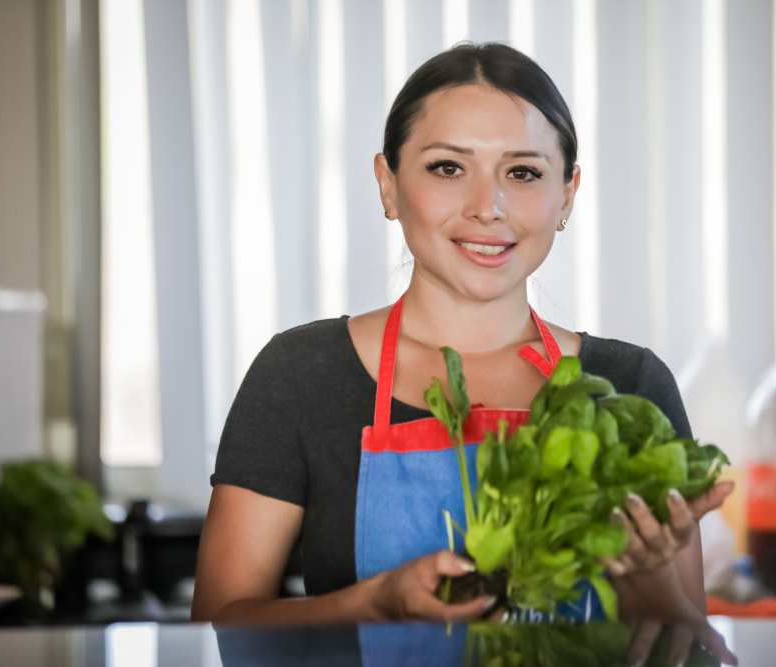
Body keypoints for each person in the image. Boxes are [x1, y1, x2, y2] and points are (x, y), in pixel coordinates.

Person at [192, 42, 736, 665]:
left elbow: (688, 645)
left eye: (523, 172)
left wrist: (652, 589)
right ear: (388, 185)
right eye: (449, 167)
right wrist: (377, 601)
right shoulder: (300, 375)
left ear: (566, 196)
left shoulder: (629, 387)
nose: (487, 206)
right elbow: (216, 630)